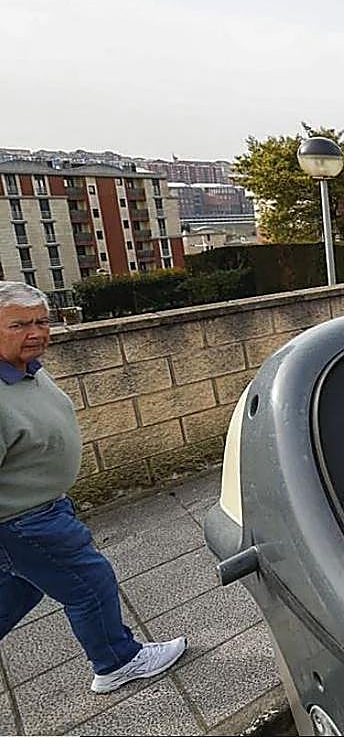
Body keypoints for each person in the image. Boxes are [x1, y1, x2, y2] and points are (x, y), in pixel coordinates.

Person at [0, 281, 186, 693]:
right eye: (19, 325)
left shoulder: (25, 369)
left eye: (42, 322)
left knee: (22, 589)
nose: (36, 332)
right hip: (24, 520)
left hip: (39, 512)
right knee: (89, 582)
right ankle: (116, 662)